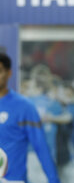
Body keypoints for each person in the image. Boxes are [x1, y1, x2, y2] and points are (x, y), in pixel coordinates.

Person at [0, 53, 60, 183]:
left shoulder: (24, 107)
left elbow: (41, 146)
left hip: (13, 180)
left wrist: (53, 179)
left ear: (9, 73)